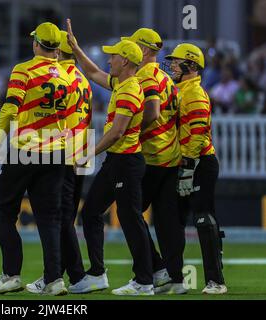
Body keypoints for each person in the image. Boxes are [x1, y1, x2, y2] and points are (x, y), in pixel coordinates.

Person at [0, 22, 77, 296]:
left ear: (36, 44)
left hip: (25, 149)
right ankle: (55, 279)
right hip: (57, 152)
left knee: (4, 211)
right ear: (57, 47)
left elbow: (10, 108)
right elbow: (70, 118)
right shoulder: (66, 74)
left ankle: (11, 275)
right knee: (49, 218)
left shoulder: (23, 70)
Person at [67, 19, 154, 296]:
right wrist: (76, 48)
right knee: (91, 212)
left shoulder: (129, 90)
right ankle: (98, 274)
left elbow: (117, 133)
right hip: (117, 162)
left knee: (130, 220)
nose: (108, 59)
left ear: (126, 61)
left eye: (114, 55)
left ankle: (145, 281)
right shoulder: (122, 83)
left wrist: (86, 154)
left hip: (126, 163)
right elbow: (92, 72)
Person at [25, 30, 92, 294]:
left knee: (58, 218)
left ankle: (72, 276)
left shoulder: (60, 77)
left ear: (56, 52)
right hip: (80, 150)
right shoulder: (82, 79)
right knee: (64, 218)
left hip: (61, 154)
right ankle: (61, 275)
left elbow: (55, 116)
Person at [122, 28, 186, 294]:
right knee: (167, 222)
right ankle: (175, 279)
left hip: (150, 155)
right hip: (171, 157)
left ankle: (147, 275)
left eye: (135, 46)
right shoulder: (165, 77)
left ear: (145, 50)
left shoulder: (145, 75)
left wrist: (130, 131)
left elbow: (152, 112)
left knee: (129, 213)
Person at [166, 43, 227, 294]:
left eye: (175, 61)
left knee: (202, 218)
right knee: (173, 221)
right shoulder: (180, 90)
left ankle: (216, 281)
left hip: (200, 163)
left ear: (190, 66)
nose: (170, 65)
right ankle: (174, 279)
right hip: (186, 163)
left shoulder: (195, 94)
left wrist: (188, 168)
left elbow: (199, 134)